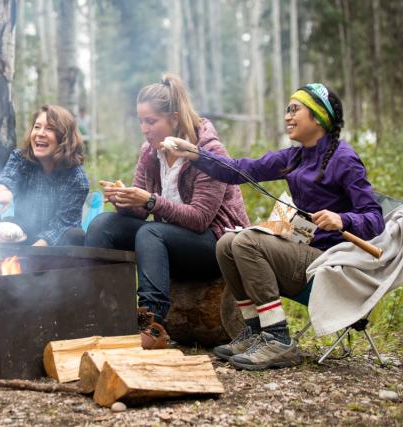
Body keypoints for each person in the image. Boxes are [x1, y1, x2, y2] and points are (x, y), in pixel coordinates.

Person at [165, 83, 385, 370]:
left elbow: (374, 218)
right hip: (302, 253)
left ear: (318, 117)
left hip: (333, 263)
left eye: (295, 110)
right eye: (287, 110)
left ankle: (278, 338)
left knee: (246, 241)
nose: (287, 116)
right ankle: (254, 332)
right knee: (227, 243)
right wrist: (196, 154)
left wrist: (342, 219)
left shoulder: (344, 159)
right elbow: (240, 169)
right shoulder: (293, 158)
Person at [84, 74, 250, 349]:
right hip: (169, 239)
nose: (145, 129)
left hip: (216, 244)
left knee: (152, 232)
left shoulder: (208, 152)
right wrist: (125, 200)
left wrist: (150, 201)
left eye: (151, 121)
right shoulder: (149, 153)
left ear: (174, 118)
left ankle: (152, 323)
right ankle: (104, 312)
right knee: (104, 224)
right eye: (141, 121)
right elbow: (141, 210)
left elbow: (199, 219)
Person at [0, 105, 89, 246]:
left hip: (58, 248)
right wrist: (2, 190)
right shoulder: (21, 159)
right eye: (37, 127)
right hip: (25, 234)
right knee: (3, 227)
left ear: (64, 138)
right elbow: (8, 177)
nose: (40, 133)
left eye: (50, 128)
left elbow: (62, 225)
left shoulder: (77, 179)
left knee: (74, 234)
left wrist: (31, 256)